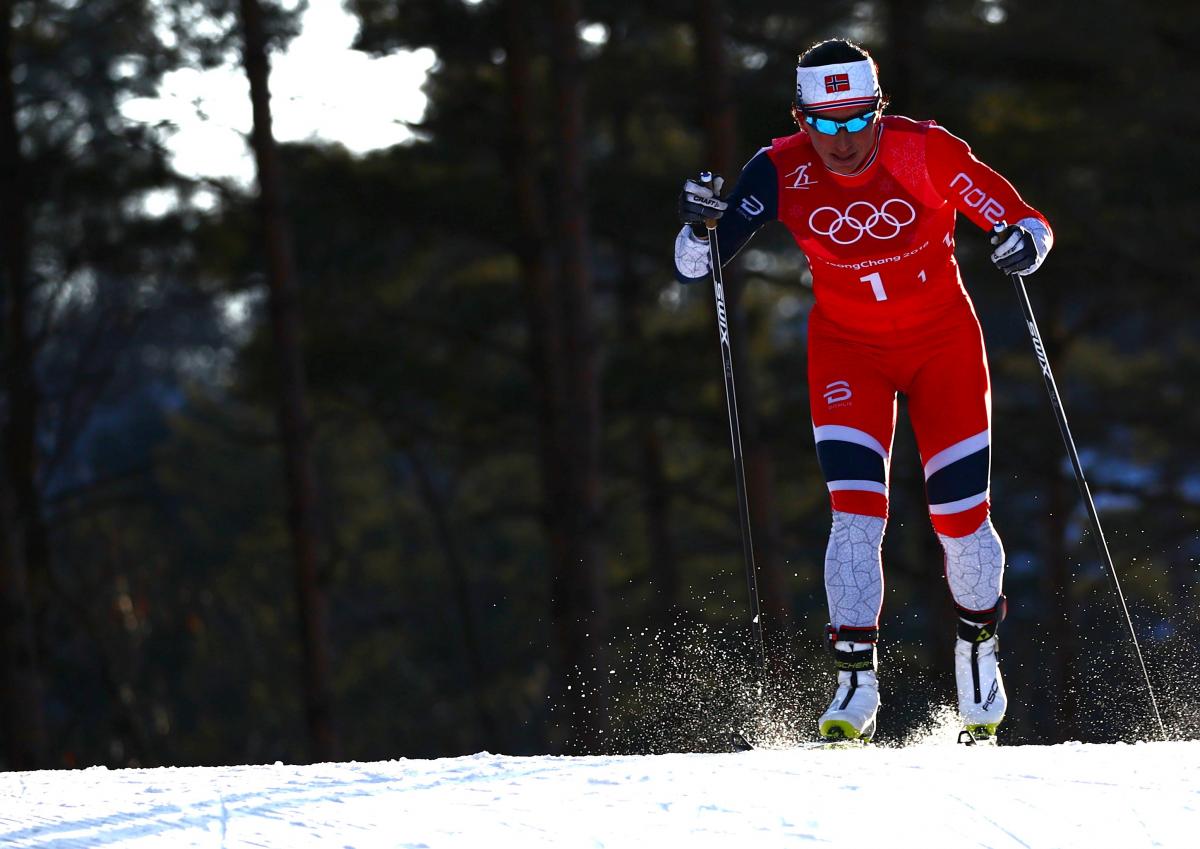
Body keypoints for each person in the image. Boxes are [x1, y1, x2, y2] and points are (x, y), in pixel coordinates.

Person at [674, 37, 1052, 743]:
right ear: (800, 117)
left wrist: (1023, 244)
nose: (843, 141)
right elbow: (699, 265)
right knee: (855, 517)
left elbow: (1026, 221)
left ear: (879, 110)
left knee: (960, 517)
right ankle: (854, 682)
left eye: (857, 121)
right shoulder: (779, 168)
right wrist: (698, 225)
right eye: (826, 124)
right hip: (848, 353)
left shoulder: (923, 151)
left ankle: (978, 648)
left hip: (944, 348)